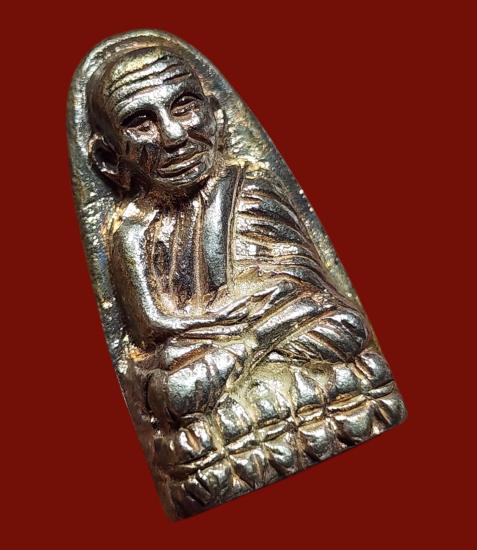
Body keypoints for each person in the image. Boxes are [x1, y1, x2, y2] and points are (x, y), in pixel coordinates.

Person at [87, 45, 369, 435]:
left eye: (184, 106)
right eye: (141, 123)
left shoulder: (250, 187)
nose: (174, 135)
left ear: (217, 116)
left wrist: (247, 338)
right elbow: (152, 328)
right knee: (171, 387)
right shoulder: (132, 229)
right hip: (200, 351)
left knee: (346, 325)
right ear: (108, 158)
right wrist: (240, 324)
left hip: (271, 335)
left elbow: (308, 291)